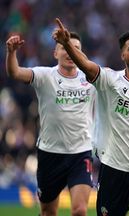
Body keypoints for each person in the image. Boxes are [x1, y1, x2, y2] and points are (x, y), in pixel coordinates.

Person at [52, 18, 129, 216]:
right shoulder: (110, 81)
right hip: (113, 170)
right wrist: (67, 43)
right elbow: (86, 65)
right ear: (123, 55)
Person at [6, 33, 96, 216]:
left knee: (79, 210)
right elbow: (15, 72)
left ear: (82, 54)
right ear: (55, 53)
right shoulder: (44, 75)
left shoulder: (92, 78)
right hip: (50, 154)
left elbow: (122, 80)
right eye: (64, 47)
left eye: (76, 48)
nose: (70, 51)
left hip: (80, 153)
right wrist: (11, 53)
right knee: (48, 212)